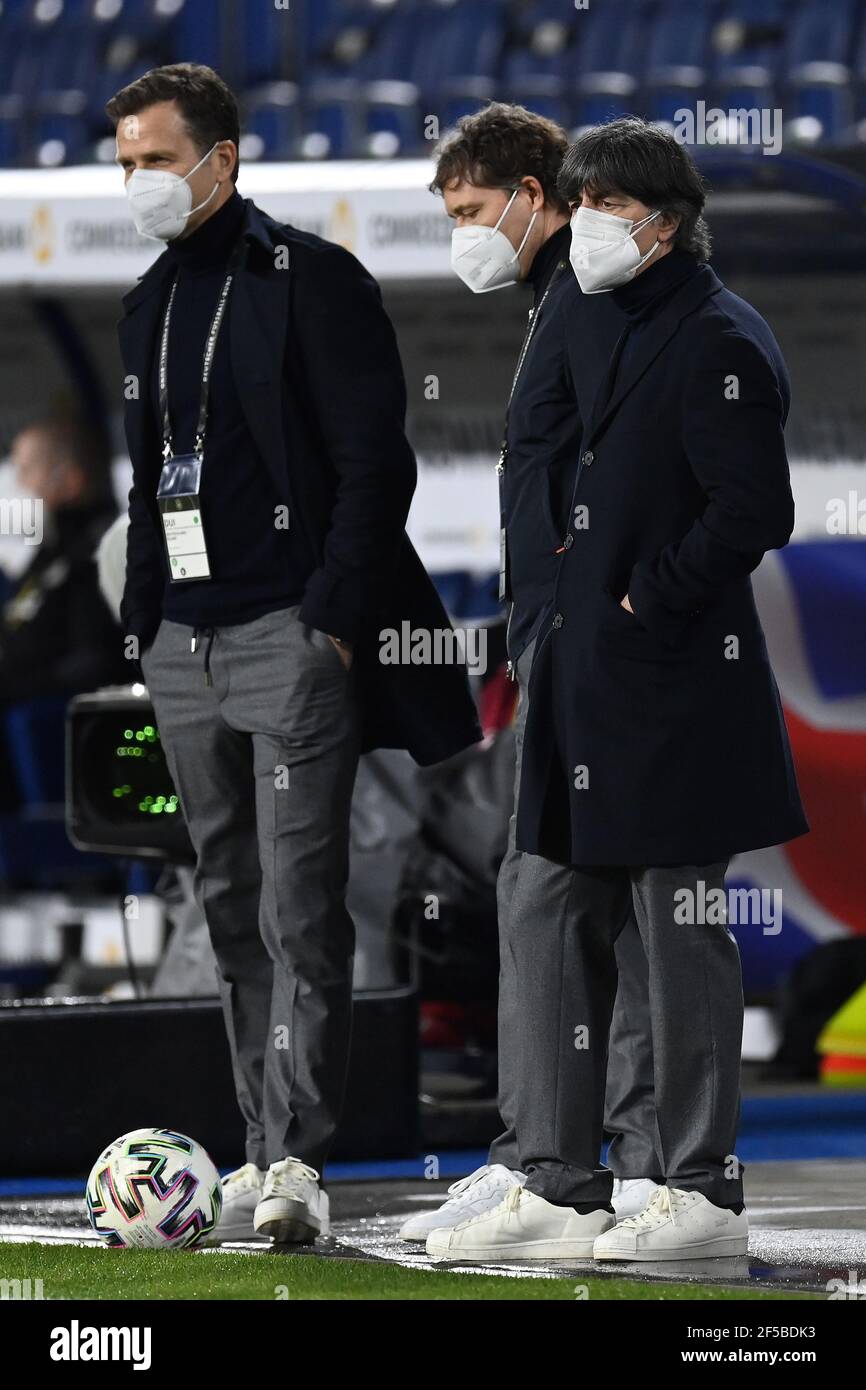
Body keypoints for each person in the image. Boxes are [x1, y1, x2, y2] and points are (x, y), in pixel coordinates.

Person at [108, 62, 480, 1246]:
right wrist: (145, 620)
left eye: (157, 160)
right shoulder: (146, 301)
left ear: (223, 158)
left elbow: (378, 464)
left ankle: (293, 1164)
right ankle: (257, 1137)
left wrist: (328, 618)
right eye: (125, 163)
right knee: (225, 902)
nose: (139, 183)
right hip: (184, 645)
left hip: (286, 639)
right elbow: (147, 471)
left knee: (298, 905)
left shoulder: (311, 280)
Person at [427, 116, 808, 1264]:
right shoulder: (594, 317)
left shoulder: (720, 335)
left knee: (674, 931)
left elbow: (754, 510)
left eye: (599, 205)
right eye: (576, 202)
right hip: (573, 673)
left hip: (671, 683)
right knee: (542, 904)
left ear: (661, 220)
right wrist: (544, 618)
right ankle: (553, 1176)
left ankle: (697, 1191)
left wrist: (648, 598)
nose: (581, 224)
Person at [403, 104, 660, 1245]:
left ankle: (576, 1172)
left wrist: (606, 609)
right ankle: (562, 1163)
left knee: (591, 900)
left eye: (471, 210)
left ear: (532, 191)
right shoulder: (557, 299)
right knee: (569, 899)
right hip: (565, 651)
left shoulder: (598, 300)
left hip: (600, 658)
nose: (464, 234)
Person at [0, 417, 124, 707]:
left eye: (25, 471)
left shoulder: (97, 556)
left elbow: (92, 662)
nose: (16, 485)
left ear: (71, 480)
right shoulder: (50, 555)